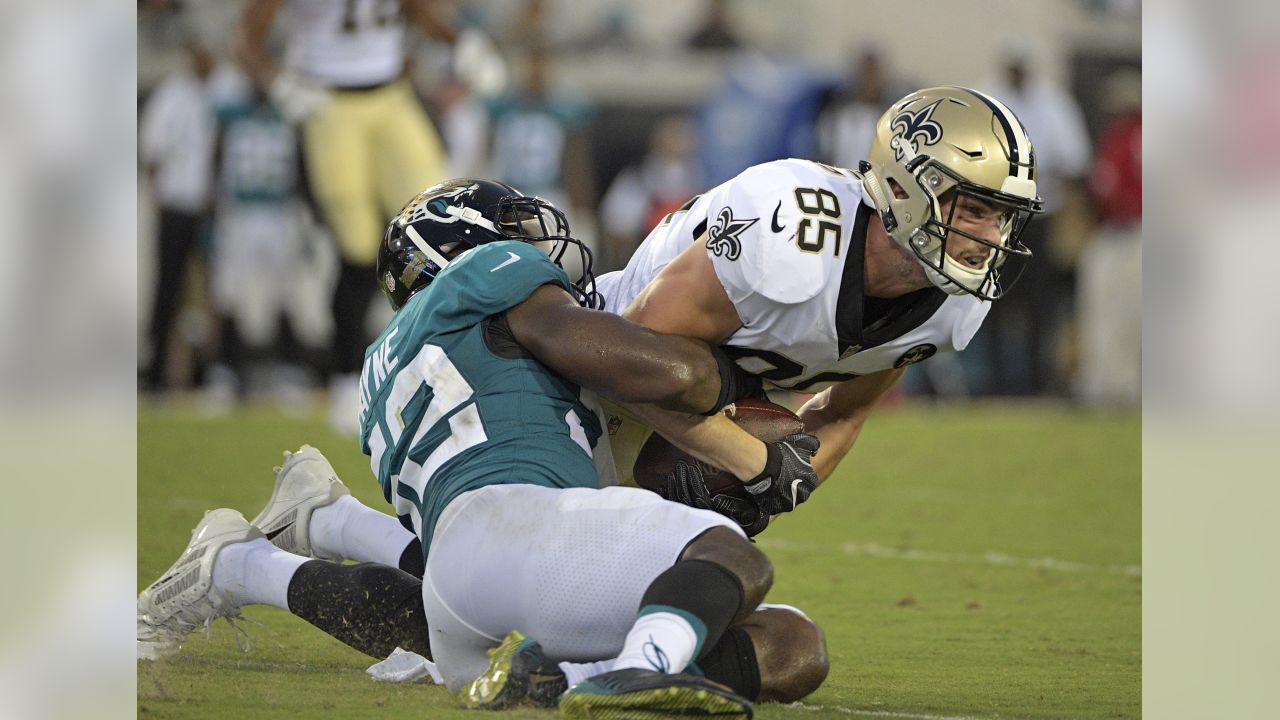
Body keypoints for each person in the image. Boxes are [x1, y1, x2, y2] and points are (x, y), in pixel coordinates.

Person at [137, 180, 829, 716]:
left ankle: (557, 678)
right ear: (463, 248)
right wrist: (740, 375)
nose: (539, 252)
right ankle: (634, 673)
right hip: (519, 532)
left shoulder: (385, 369)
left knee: (793, 643)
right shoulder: (489, 274)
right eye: (517, 235)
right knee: (728, 552)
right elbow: (658, 373)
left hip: (456, 606)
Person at [590, 86, 1044, 523]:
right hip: (590, 377)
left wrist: (769, 491)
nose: (988, 239)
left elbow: (841, 414)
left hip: (691, 413)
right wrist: (750, 459)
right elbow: (631, 358)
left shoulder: (952, 304)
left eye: (1003, 217)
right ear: (905, 187)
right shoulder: (789, 231)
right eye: (975, 210)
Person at [233, 0, 504, 434]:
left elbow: (416, 10)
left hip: (391, 95)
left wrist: (462, 40)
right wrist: (277, 82)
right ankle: (345, 382)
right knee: (357, 251)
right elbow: (245, 36)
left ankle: (452, 378)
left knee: (443, 230)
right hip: (328, 102)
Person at [139, 39, 218, 392]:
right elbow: (152, 152)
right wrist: (159, 200)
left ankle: (203, 373)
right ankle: (155, 371)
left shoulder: (219, 94)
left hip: (207, 210)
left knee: (205, 294)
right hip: (176, 208)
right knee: (168, 290)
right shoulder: (172, 96)